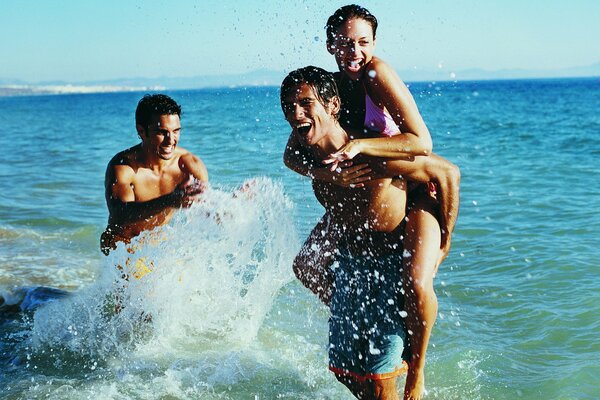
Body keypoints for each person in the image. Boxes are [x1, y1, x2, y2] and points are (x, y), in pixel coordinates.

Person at [284, 5, 460, 399]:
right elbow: (292, 154)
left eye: (363, 42)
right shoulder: (325, 88)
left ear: (375, 44)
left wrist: (447, 238)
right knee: (307, 266)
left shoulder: (377, 74)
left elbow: (425, 147)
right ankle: (356, 312)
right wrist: (327, 173)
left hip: (410, 190)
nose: (354, 51)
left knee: (416, 283)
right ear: (330, 45)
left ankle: (416, 372)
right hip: (361, 197)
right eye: (345, 43)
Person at [100, 94, 208, 264]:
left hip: (157, 250)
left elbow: (203, 208)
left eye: (176, 131)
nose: (171, 141)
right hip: (122, 249)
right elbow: (120, 214)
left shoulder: (189, 165)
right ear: (141, 131)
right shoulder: (122, 167)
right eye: (161, 132)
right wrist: (169, 200)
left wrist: (231, 206)